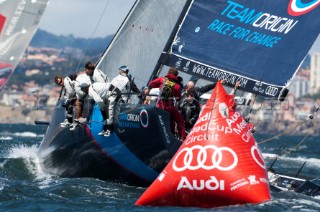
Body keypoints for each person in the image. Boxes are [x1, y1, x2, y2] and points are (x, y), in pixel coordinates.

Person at [144, 67, 186, 141]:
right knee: (180, 120)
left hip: (160, 106)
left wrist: (148, 89)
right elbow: (178, 98)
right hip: (170, 107)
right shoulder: (177, 86)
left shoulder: (161, 80)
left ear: (168, 73)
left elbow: (151, 83)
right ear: (176, 75)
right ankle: (182, 139)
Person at [71, 62, 109, 130]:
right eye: (85, 69)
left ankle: (86, 118)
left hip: (104, 93)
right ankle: (84, 117)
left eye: (86, 70)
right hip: (98, 91)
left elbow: (102, 86)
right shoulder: (91, 74)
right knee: (86, 98)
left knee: (89, 99)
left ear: (90, 69)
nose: (85, 71)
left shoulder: (96, 75)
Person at [104, 65, 140, 135]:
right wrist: (141, 97)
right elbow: (135, 90)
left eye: (120, 70)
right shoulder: (128, 80)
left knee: (112, 113)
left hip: (114, 100)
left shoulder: (116, 79)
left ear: (122, 71)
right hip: (122, 102)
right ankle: (115, 129)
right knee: (116, 115)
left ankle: (110, 128)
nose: (119, 72)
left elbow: (109, 88)